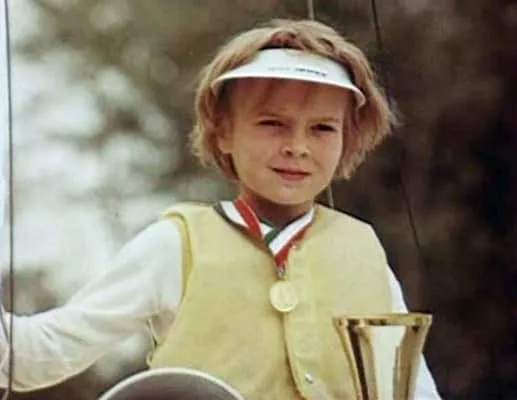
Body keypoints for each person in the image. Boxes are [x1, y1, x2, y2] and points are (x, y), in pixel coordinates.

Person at [0, 19, 442, 399]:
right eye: (272, 123)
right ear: (223, 132)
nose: (298, 147)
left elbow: (415, 390)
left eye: (323, 128)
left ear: (349, 135)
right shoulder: (176, 243)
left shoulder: (364, 250)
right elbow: (34, 357)